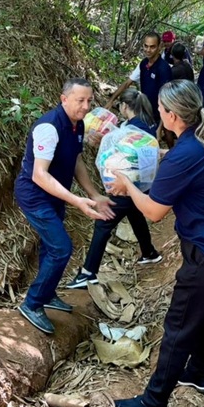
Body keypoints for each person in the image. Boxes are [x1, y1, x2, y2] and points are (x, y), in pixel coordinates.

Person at [109, 80, 204, 407]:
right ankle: (199, 373)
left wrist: (127, 183)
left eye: (160, 109)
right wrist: (156, 156)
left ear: (172, 115)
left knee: (180, 322)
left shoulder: (186, 153)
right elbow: (183, 162)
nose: (157, 113)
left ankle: (153, 402)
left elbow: (154, 211)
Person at [14, 78, 115, 335]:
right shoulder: (49, 127)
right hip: (35, 195)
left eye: (89, 100)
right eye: (80, 100)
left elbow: (76, 159)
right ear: (64, 99)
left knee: (53, 245)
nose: (85, 106)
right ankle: (32, 303)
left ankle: (46, 294)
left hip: (54, 194)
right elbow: (39, 175)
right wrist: (77, 200)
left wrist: (93, 193)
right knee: (61, 248)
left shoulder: (77, 125)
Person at [66, 88, 161, 289]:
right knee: (135, 214)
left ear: (125, 106)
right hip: (142, 186)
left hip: (125, 186)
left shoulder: (131, 130)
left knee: (103, 222)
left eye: (121, 107)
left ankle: (88, 273)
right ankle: (149, 252)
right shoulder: (147, 125)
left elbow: (122, 157)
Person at [106, 31, 172, 124]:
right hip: (144, 112)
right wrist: (111, 100)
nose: (148, 50)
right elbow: (127, 83)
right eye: (146, 46)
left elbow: (167, 99)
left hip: (159, 115)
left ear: (159, 47)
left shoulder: (163, 68)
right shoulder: (144, 63)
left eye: (152, 47)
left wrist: (162, 125)